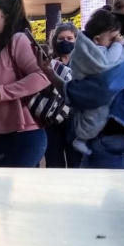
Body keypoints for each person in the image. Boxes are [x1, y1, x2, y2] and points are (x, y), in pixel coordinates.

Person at [37, 0, 124, 169]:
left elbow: (102, 87)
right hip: (110, 142)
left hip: (116, 143)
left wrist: (74, 91)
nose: (114, 13)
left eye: (120, 6)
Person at [0, 0, 50, 167]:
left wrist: (3, 92)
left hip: (22, 134)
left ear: (6, 18)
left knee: (10, 184)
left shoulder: (17, 40)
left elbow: (43, 75)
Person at [68, 8, 124, 156]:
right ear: (97, 39)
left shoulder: (85, 49)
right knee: (94, 118)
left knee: (86, 116)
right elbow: (107, 61)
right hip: (91, 92)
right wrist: (119, 45)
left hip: (84, 89)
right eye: (112, 39)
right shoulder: (96, 52)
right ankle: (82, 138)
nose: (115, 42)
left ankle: (81, 139)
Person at [44, 22, 82, 168]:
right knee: (54, 164)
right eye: (61, 39)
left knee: (76, 163)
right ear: (55, 41)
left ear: (76, 39)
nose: (65, 42)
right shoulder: (48, 62)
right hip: (52, 119)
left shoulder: (82, 63)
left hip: (75, 120)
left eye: (69, 38)